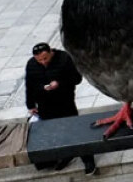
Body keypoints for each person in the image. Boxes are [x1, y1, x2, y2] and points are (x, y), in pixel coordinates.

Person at [25, 43, 98, 175]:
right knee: (55, 133)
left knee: (75, 131)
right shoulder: (31, 65)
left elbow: (77, 78)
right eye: (39, 60)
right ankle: (65, 155)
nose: (43, 62)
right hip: (44, 106)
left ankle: (88, 160)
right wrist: (30, 105)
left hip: (65, 103)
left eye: (45, 58)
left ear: (51, 52)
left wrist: (59, 83)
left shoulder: (64, 59)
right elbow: (29, 85)